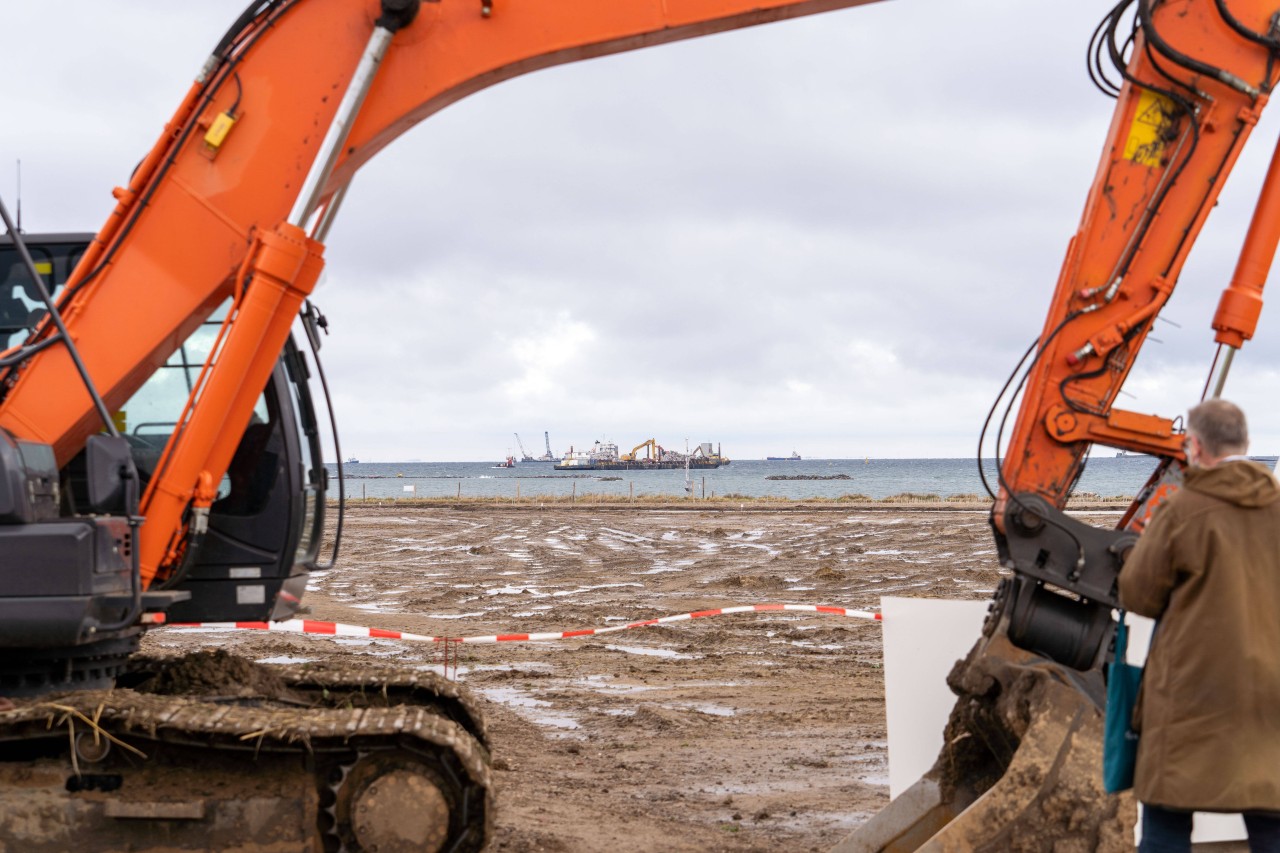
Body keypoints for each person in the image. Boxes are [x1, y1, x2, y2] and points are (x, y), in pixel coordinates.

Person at [1118, 399, 1280, 852]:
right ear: (1246, 443)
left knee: (1166, 826)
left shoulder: (1183, 510)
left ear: (1194, 445)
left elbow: (1138, 594)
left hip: (1191, 695)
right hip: (1272, 692)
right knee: (1271, 826)